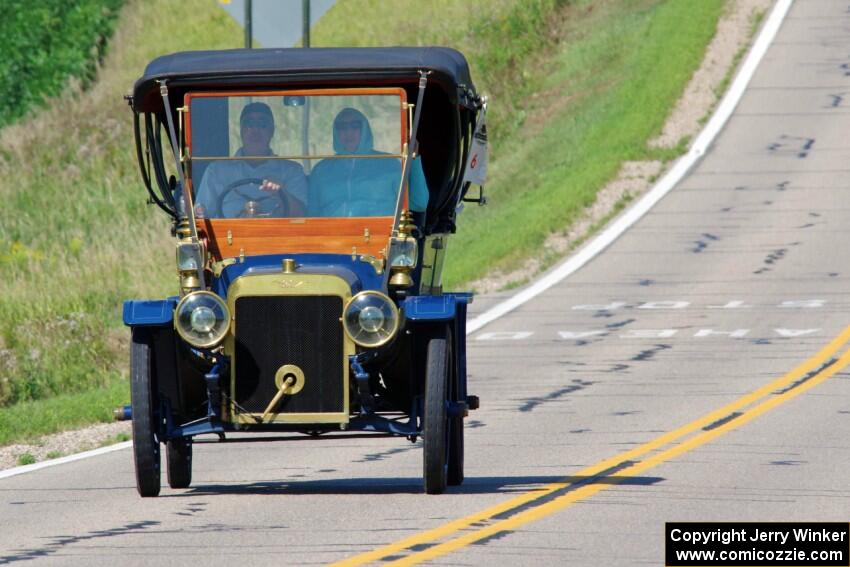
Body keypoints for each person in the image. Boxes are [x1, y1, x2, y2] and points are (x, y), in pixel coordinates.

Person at [308, 107, 428, 217]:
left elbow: (419, 203)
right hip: (332, 236)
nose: (348, 132)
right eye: (342, 127)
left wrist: (413, 158)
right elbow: (310, 214)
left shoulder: (389, 164)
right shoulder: (321, 170)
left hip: (380, 235)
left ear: (365, 129)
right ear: (335, 132)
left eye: (355, 126)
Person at [195, 102, 308, 218]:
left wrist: (281, 192)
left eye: (262, 124)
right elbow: (201, 216)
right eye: (249, 124)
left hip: (277, 235)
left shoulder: (291, 171)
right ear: (241, 130)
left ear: (272, 131)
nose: (255, 129)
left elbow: (302, 218)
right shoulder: (216, 171)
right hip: (227, 235)